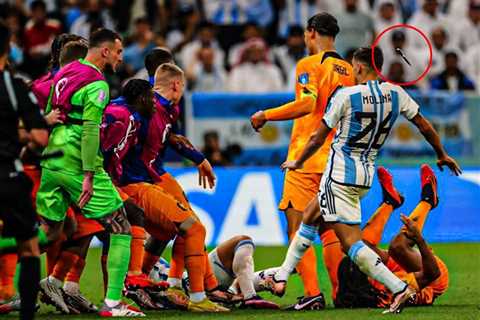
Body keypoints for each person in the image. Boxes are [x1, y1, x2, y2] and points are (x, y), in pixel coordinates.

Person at [273, 46, 461, 314]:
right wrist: (441, 154)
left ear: (359, 68)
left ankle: (399, 288)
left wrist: (298, 161)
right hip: (364, 175)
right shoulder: (396, 94)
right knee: (311, 214)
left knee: (352, 244)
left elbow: (317, 137)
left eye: (353, 67)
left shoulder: (346, 96)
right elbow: (424, 125)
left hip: (338, 174)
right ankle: (282, 274)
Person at [35, 28, 145, 317]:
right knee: (121, 226)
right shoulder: (98, 84)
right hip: (76, 161)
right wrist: (88, 175)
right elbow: (89, 131)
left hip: (51, 158)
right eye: (119, 52)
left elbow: (50, 111)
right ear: (105, 51)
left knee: (48, 232)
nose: (121, 58)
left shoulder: (66, 70)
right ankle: (113, 303)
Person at [250, 12, 355, 310]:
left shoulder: (308, 64)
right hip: (335, 159)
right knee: (329, 228)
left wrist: (265, 115)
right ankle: (339, 293)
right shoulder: (348, 69)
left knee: (297, 228)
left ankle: (312, 292)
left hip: (305, 159)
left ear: (311, 33)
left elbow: (307, 103)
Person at [322, 166, 449, 308]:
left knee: (357, 246)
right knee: (397, 247)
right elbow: (432, 273)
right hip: (432, 277)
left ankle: (390, 202)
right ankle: (428, 201)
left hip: (396, 272)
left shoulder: (346, 297)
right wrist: (419, 239)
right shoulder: (391, 289)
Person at [0, 22, 49, 320]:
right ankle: (27, 314)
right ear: (8, 47)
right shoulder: (13, 85)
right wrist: (21, 135)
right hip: (8, 174)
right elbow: (40, 138)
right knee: (29, 248)